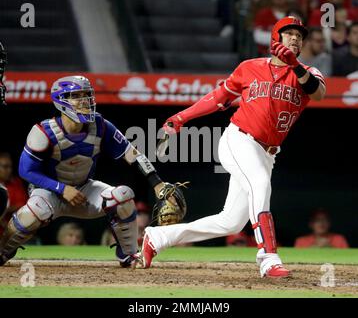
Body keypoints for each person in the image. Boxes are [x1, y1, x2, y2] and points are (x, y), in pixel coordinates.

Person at [139, 17, 326, 278]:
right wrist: (182, 117)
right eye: (289, 33)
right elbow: (218, 98)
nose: (295, 38)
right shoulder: (250, 67)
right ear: (276, 38)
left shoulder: (308, 72)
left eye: (299, 35)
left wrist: (295, 66)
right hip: (239, 139)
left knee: (230, 222)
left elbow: (317, 92)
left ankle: (157, 237)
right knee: (260, 184)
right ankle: (268, 257)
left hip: (267, 152)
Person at [0, 75, 176, 267]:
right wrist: (61, 188)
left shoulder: (100, 126)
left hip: (83, 190)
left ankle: (129, 253)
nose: (85, 101)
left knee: (123, 196)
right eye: (77, 96)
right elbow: (26, 171)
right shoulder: (43, 131)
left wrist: (157, 183)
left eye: (87, 95)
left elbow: (133, 155)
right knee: (35, 211)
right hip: (49, 192)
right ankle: (3, 250)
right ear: (61, 100)